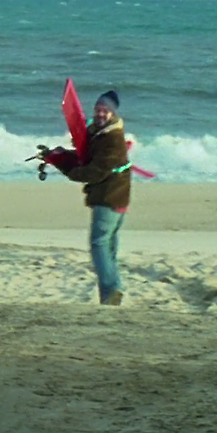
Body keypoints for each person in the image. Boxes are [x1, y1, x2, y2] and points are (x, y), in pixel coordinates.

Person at [59, 90, 132, 306]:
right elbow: (86, 156)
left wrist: (69, 171)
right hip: (114, 194)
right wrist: (58, 156)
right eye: (98, 109)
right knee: (108, 247)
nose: (100, 114)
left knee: (99, 243)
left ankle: (111, 290)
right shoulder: (99, 132)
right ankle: (110, 295)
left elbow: (96, 170)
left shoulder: (112, 138)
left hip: (111, 196)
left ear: (112, 113)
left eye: (105, 111)